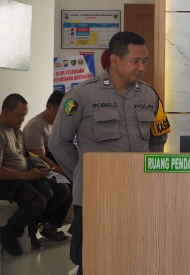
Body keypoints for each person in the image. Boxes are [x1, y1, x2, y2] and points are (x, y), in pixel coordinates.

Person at [50, 31, 171, 275]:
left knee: (135, 255)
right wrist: (86, 174)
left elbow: (159, 138)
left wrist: (147, 171)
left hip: (138, 195)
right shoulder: (82, 95)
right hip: (96, 196)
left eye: (145, 61)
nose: (141, 67)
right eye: (135, 61)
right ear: (114, 60)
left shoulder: (150, 95)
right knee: (93, 260)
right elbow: (58, 142)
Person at [0, 94, 72, 256]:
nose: (22, 120)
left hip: (24, 175)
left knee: (62, 190)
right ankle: (9, 231)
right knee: (38, 201)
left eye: (24, 116)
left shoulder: (16, 131)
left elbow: (27, 156)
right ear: (5, 111)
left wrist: (40, 170)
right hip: (7, 181)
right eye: (19, 116)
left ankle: (33, 226)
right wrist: (26, 176)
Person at [23, 90, 71, 242]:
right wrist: (63, 171)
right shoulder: (36, 126)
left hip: (53, 165)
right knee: (63, 188)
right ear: (50, 106)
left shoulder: (57, 124)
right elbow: (39, 157)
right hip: (39, 168)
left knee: (74, 183)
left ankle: (50, 226)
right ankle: (41, 223)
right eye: (60, 110)